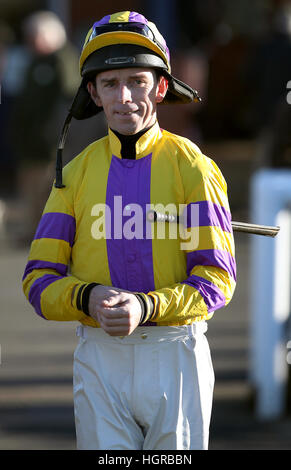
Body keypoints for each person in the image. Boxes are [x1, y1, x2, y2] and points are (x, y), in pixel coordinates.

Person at [22, 11, 236, 450]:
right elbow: (39, 280)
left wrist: (145, 306)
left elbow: (217, 280)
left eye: (137, 81)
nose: (124, 97)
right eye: (110, 83)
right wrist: (88, 297)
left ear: (160, 87)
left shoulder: (193, 168)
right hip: (100, 358)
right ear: (93, 94)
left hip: (175, 354)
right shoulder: (74, 175)